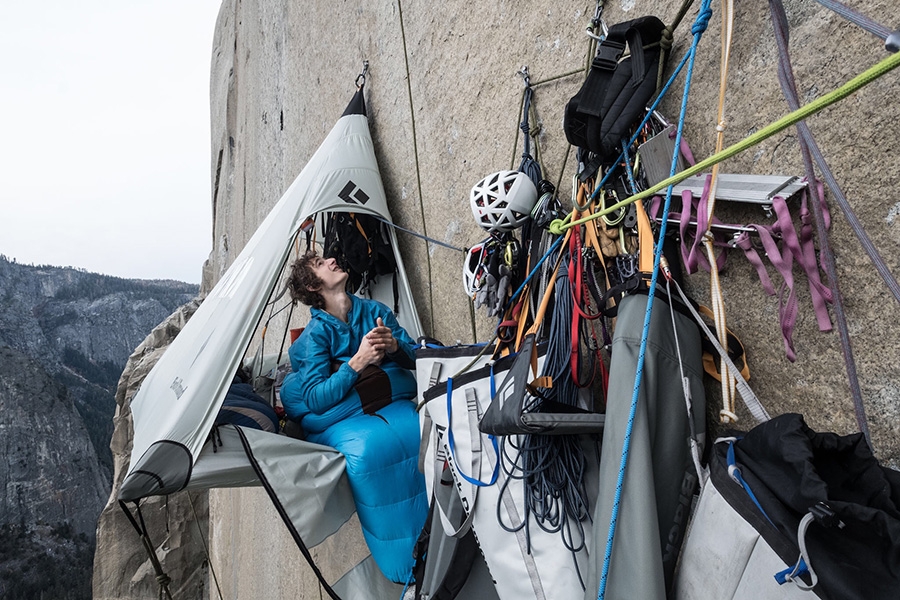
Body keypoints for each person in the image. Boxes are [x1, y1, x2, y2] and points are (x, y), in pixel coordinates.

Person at [279, 252, 427, 585]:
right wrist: (357, 362)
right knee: (369, 454)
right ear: (312, 284)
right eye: (320, 263)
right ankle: (406, 567)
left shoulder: (374, 312)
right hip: (345, 420)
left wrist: (394, 347)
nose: (332, 260)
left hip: (390, 401)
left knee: (425, 432)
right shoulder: (315, 337)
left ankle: (449, 545)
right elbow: (316, 398)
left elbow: (417, 357)